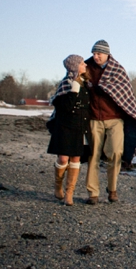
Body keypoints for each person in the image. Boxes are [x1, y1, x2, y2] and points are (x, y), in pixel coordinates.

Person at [84, 40, 136, 205]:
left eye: (99, 54)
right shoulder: (86, 67)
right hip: (94, 118)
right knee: (93, 155)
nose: (95, 57)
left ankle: (112, 189)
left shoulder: (117, 69)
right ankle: (93, 193)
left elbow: (125, 94)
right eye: (94, 53)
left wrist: (104, 88)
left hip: (115, 119)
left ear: (107, 54)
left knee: (116, 153)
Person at [47, 55, 92, 206]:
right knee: (63, 159)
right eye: (81, 63)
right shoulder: (66, 83)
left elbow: (86, 108)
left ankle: (69, 194)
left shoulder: (86, 85)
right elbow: (63, 108)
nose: (85, 64)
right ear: (74, 66)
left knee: (76, 159)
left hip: (80, 126)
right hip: (65, 126)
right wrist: (73, 92)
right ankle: (57, 186)